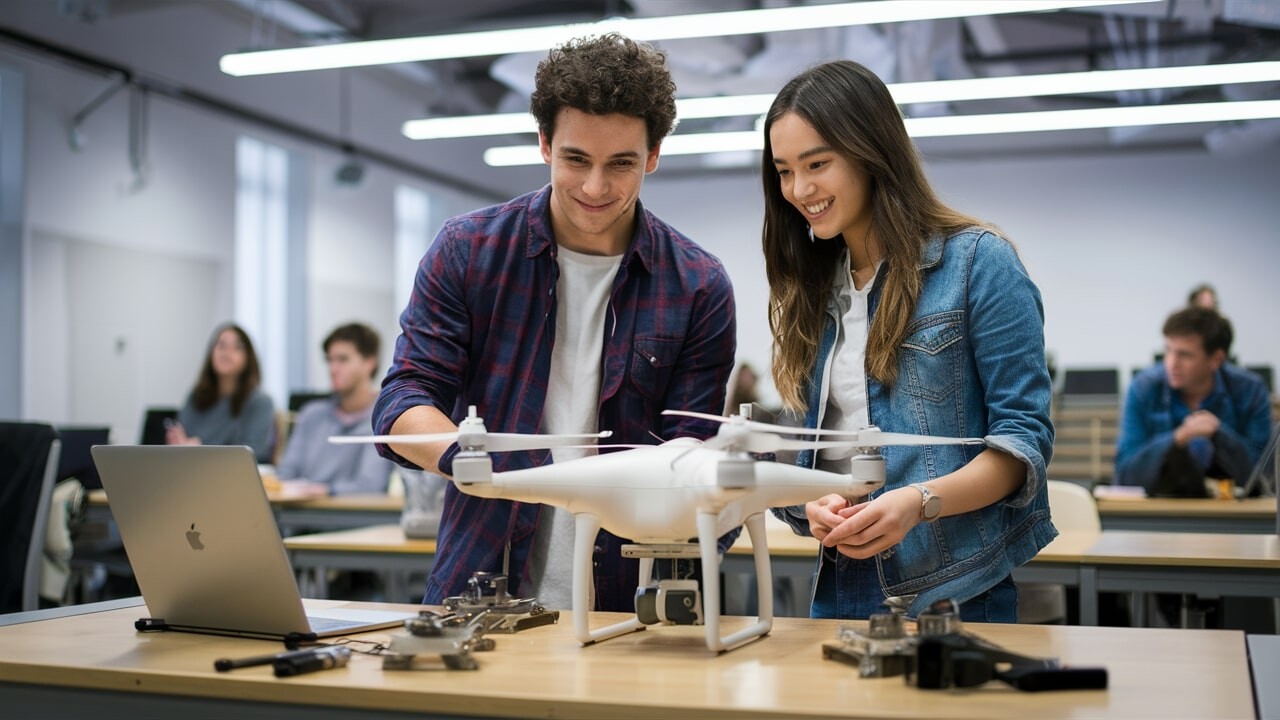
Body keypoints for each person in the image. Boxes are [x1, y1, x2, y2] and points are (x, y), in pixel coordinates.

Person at [373, 33, 737, 612]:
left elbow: (687, 449)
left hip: (628, 599)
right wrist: (470, 462)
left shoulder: (697, 285)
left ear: (653, 155)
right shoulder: (468, 252)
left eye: (621, 164)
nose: (596, 188)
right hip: (481, 585)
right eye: (576, 159)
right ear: (544, 143)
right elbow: (404, 397)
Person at [760, 60, 1056, 622]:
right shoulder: (813, 289)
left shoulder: (978, 264)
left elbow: (1023, 446)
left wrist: (917, 503)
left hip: (955, 591)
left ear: (871, 152)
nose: (800, 189)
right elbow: (817, 454)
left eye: (817, 164)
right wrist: (809, 503)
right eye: (784, 171)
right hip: (839, 580)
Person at [1116, 306, 1272, 497]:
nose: (1171, 363)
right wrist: (1178, 437)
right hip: (1158, 515)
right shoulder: (1143, 388)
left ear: (1216, 359)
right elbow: (1124, 476)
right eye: (1168, 350)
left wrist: (1218, 434)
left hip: (1233, 518)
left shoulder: (1251, 391)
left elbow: (1263, 479)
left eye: (1184, 355)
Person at [276, 323, 396, 496]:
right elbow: (286, 473)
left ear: (369, 363)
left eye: (343, 360)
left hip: (352, 518)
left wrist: (323, 490)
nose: (333, 369)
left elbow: (371, 485)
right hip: (298, 517)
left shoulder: (385, 418)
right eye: (329, 360)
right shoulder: (311, 414)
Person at [167, 323, 275, 463]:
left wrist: (201, 447)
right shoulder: (197, 397)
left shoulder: (260, 402)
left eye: (237, 347)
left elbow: (253, 452)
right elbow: (184, 438)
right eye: (221, 346)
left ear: (248, 358)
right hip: (191, 471)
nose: (226, 352)